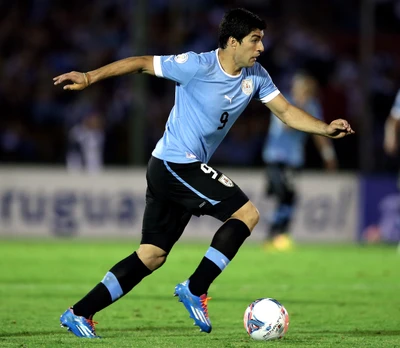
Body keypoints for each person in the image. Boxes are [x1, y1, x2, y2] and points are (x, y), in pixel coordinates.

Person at [53, 8, 354, 338]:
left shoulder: (257, 76)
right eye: (255, 41)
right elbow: (140, 62)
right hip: (174, 163)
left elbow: (285, 112)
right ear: (232, 42)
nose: (261, 48)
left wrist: (324, 129)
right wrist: (89, 77)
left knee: (151, 255)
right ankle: (195, 288)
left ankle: (79, 312)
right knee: (247, 214)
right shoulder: (197, 66)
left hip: (173, 167)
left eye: (262, 41)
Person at [262, 72, 338, 251]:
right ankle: (276, 234)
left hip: (294, 159)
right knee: (284, 195)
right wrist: (301, 107)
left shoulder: (312, 105)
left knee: (288, 197)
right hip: (276, 157)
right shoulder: (282, 102)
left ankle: (277, 235)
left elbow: (320, 133)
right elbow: (287, 125)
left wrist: (328, 155)